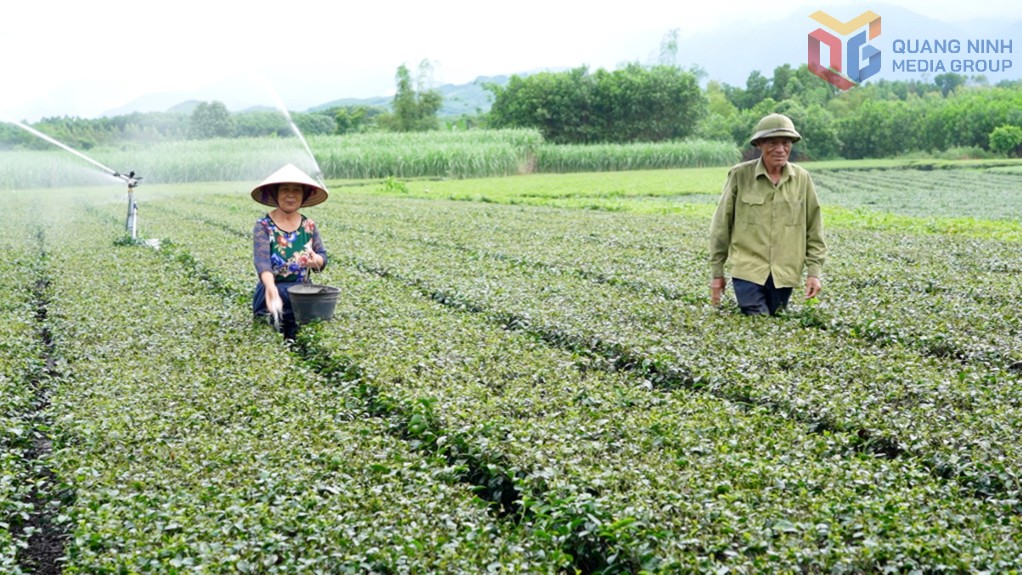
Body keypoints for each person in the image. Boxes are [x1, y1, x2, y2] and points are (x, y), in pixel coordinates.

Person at [708, 113, 826, 315]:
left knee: (776, 320)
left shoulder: (802, 179)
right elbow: (721, 225)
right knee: (757, 317)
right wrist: (717, 273)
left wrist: (814, 273)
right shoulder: (740, 176)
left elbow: (814, 228)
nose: (780, 149)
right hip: (748, 270)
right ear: (760, 144)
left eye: (785, 142)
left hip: (785, 273)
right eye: (773, 142)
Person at [251, 164, 329, 338]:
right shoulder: (263, 226)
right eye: (285, 189)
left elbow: (323, 257)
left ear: (304, 195)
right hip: (271, 293)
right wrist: (271, 289)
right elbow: (262, 262)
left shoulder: (309, 225)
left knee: (302, 342)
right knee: (271, 343)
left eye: (297, 190)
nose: (291, 195)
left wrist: (316, 260)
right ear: (275, 194)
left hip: (302, 296)